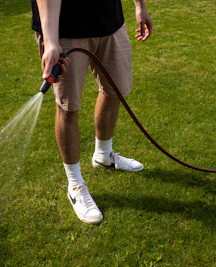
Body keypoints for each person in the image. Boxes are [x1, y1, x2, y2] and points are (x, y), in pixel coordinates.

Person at [31, 0, 153, 224]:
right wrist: (50, 41)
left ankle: (104, 156)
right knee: (68, 106)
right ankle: (75, 184)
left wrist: (139, 5)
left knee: (116, 89)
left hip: (110, 21)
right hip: (65, 29)